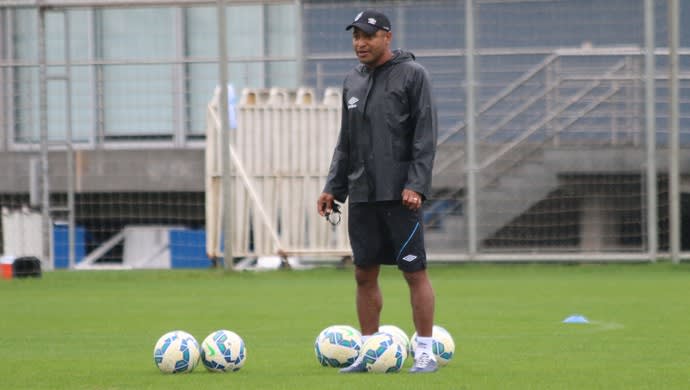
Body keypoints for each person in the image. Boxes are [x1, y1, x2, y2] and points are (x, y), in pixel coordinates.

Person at [316, 9, 439, 374]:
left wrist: (416, 184)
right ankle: (369, 352)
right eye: (355, 36)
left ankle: (427, 352)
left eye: (367, 36)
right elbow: (346, 141)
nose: (360, 43)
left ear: (387, 36)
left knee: (414, 273)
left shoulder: (413, 75)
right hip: (363, 194)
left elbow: (425, 136)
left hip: (401, 195)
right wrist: (333, 187)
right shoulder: (351, 81)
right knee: (363, 274)